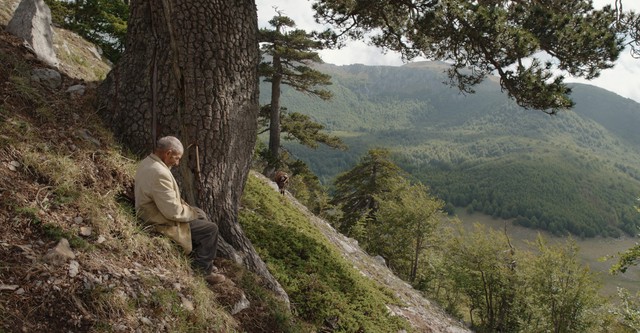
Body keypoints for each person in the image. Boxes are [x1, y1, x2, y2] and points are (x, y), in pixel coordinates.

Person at [134, 136, 225, 284]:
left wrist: (193, 212)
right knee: (210, 229)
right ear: (168, 153)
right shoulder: (159, 173)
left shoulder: (147, 162)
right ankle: (202, 272)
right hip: (157, 218)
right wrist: (192, 213)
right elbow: (172, 212)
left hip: (153, 209)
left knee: (201, 216)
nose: (177, 163)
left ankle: (201, 259)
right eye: (176, 158)